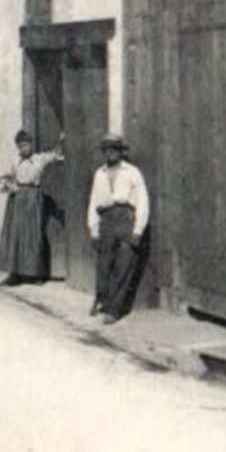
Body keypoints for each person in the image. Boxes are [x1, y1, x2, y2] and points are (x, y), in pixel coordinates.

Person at [87, 132, 149, 324]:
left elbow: (142, 201)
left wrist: (138, 229)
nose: (111, 152)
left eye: (114, 148)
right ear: (104, 151)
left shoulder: (132, 172)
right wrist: (93, 228)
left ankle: (114, 310)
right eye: (107, 149)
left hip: (126, 219)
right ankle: (102, 298)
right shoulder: (100, 174)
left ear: (120, 151)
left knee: (124, 265)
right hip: (106, 220)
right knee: (104, 263)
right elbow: (94, 201)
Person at [0, 129, 64, 287]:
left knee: (34, 235)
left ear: (32, 145)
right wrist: (10, 185)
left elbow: (55, 154)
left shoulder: (39, 159)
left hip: (34, 198)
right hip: (18, 199)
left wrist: (61, 140)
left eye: (26, 145)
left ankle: (36, 274)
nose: (24, 149)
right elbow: (1, 177)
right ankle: (14, 274)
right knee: (16, 236)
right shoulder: (14, 161)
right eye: (20, 146)